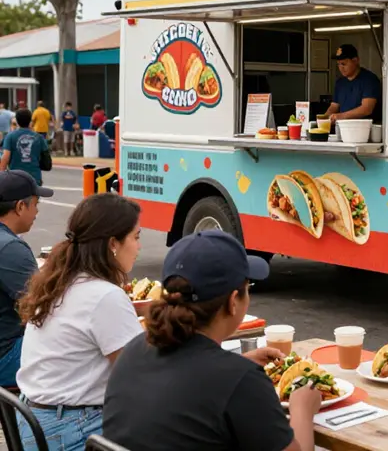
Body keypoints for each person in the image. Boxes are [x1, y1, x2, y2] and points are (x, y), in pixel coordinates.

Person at [103, 230, 320, 451]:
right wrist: (302, 409)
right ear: (233, 301)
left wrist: (239, 364)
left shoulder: (133, 351)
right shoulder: (240, 381)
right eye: (248, 288)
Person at [15, 193, 145, 450]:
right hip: (73, 430)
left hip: (34, 422)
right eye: (136, 237)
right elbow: (140, 373)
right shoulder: (105, 295)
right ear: (113, 244)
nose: (139, 246)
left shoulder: (60, 281)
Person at [0, 170, 53, 387]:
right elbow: (42, 304)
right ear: (20, 206)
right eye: (35, 203)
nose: (37, 211)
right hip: (6, 356)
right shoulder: (11, 247)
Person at [320, 44, 382, 126]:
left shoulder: (369, 80)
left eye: (343, 64)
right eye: (338, 64)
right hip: (342, 129)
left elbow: (366, 109)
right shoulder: (340, 82)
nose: (340, 68)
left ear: (355, 61)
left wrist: (340, 116)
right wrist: (324, 119)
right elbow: (334, 106)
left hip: (364, 130)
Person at [0, 109, 52, 184]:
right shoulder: (39, 137)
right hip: (34, 178)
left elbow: (5, 158)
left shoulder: (10, 136)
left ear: (17, 121)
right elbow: (47, 159)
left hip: (15, 178)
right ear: (30, 121)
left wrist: (1, 176)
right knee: (34, 194)